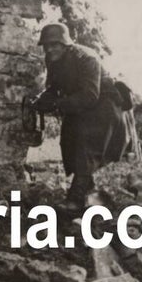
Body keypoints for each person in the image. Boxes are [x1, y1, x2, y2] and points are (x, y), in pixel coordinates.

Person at [32, 23, 129, 210]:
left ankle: (75, 200)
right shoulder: (51, 60)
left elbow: (90, 95)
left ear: (65, 43)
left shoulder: (86, 57)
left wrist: (56, 104)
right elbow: (53, 88)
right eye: (46, 45)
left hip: (104, 105)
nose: (50, 49)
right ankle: (89, 192)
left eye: (55, 44)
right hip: (80, 106)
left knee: (87, 144)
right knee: (68, 141)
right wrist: (41, 101)